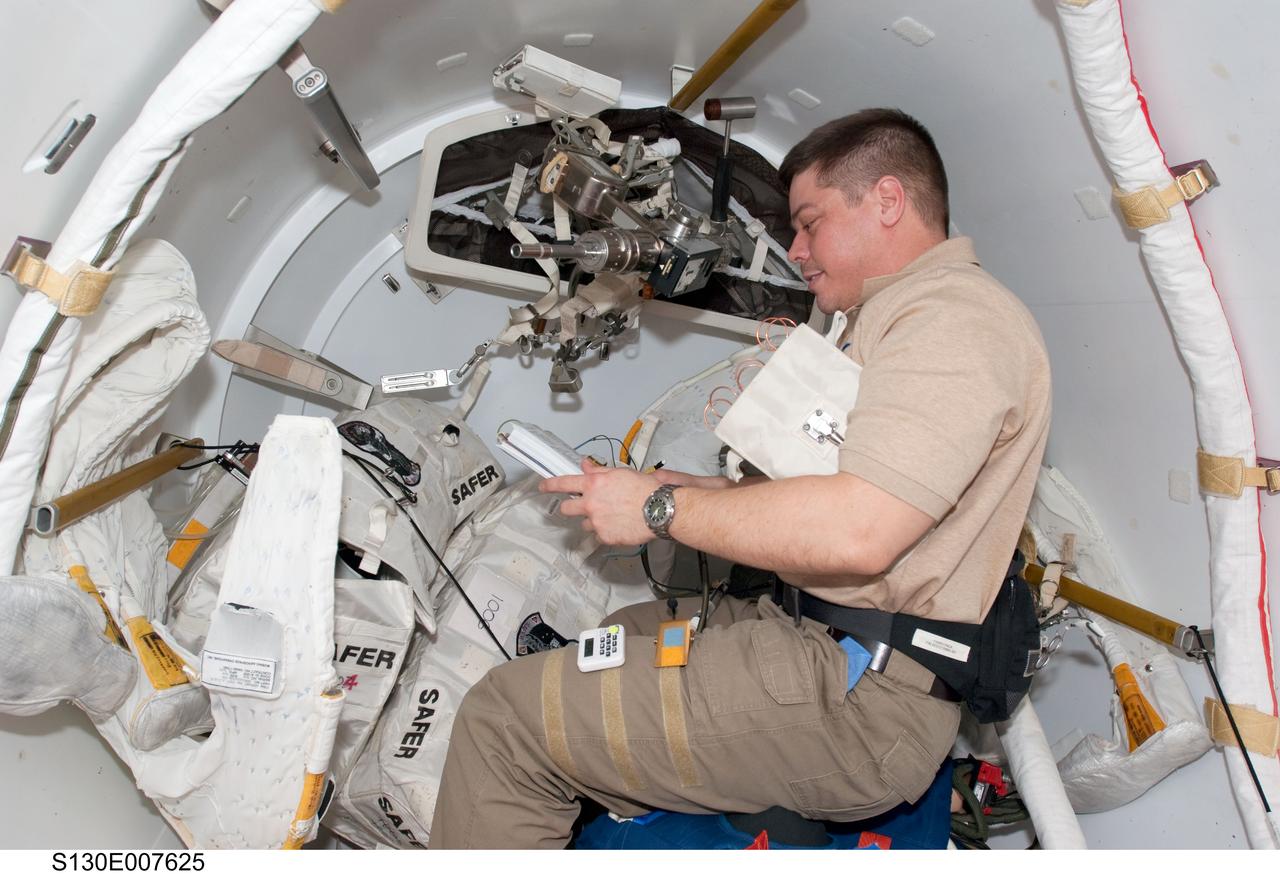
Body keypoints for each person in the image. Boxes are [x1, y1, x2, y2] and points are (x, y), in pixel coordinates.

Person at [427, 108, 1051, 849]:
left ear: (886, 201)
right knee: (615, 637)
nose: (796, 249)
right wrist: (680, 490)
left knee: (506, 722)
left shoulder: (954, 321)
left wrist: (659, 510)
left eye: (811, 223)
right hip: (820, 643)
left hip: (858, 700)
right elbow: (835, 497)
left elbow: (859, 530)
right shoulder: (893, 320)